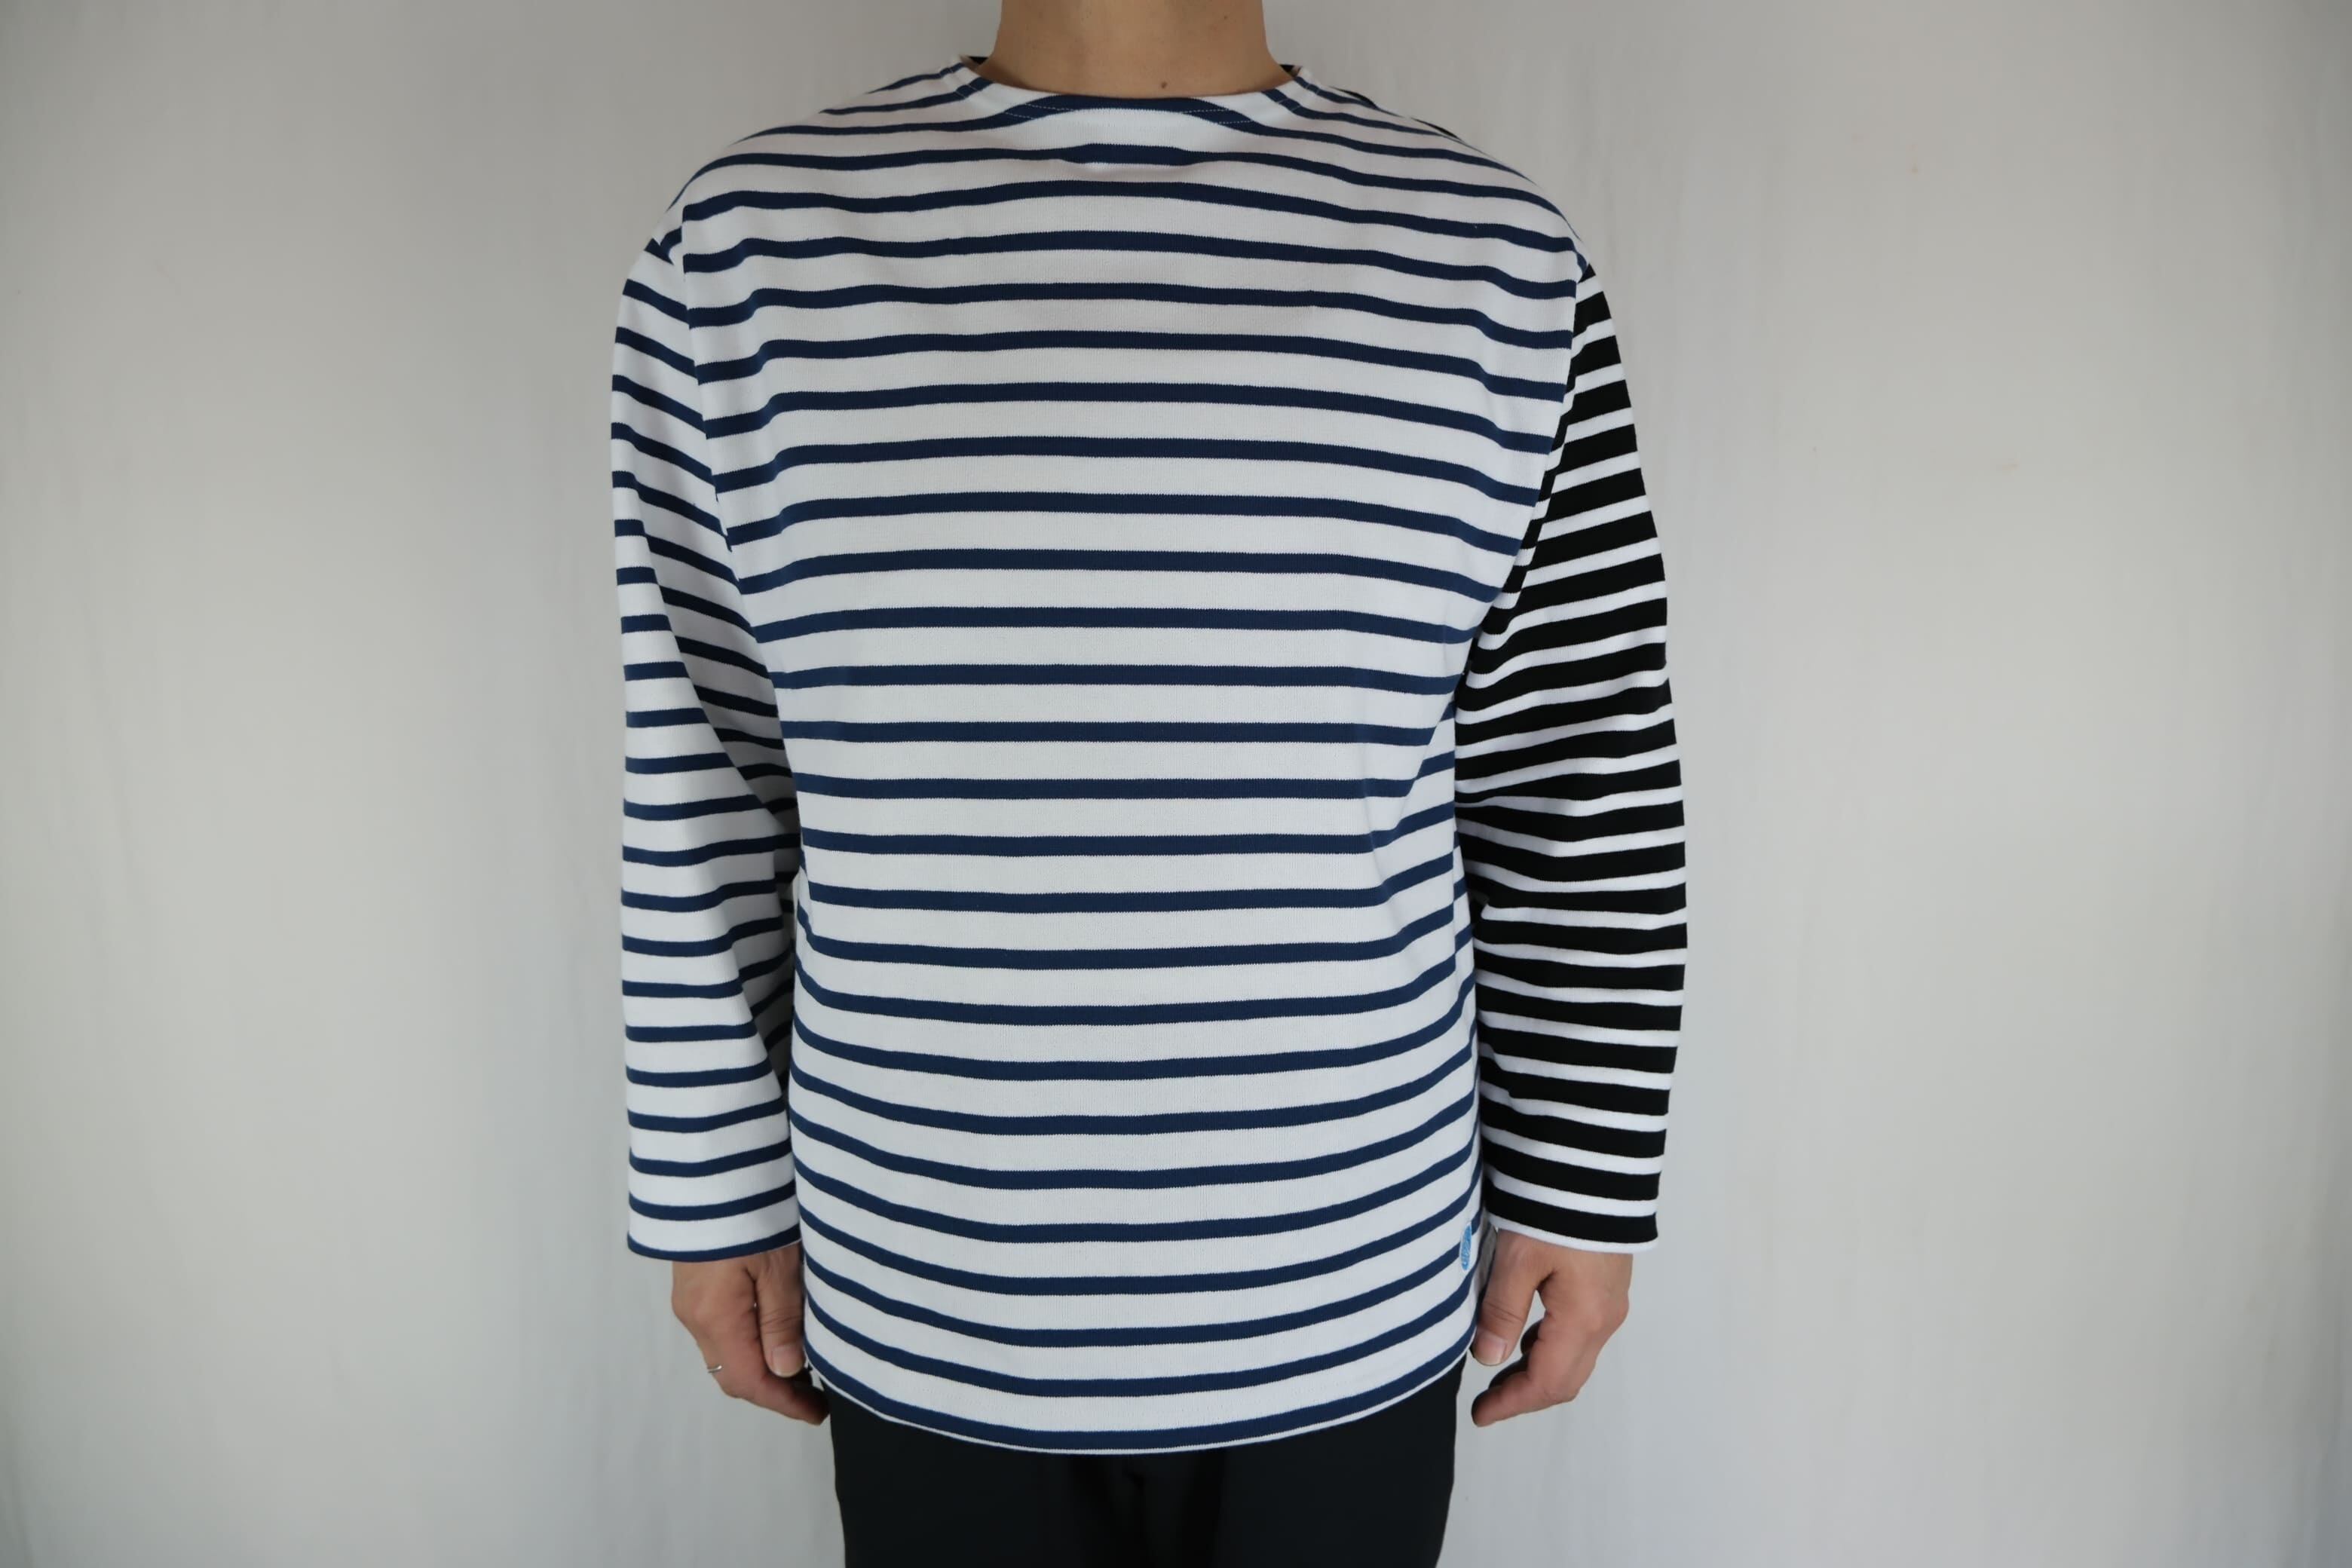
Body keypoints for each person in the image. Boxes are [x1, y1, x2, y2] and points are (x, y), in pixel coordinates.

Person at [606, 3, 1686, 1562]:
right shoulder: (746, 251)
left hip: (1344, 1289)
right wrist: (715, 1191)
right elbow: (706, 769)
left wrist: (1577, 1186)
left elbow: (1575, 775)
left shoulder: (1493, 258)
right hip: (930, 1286)